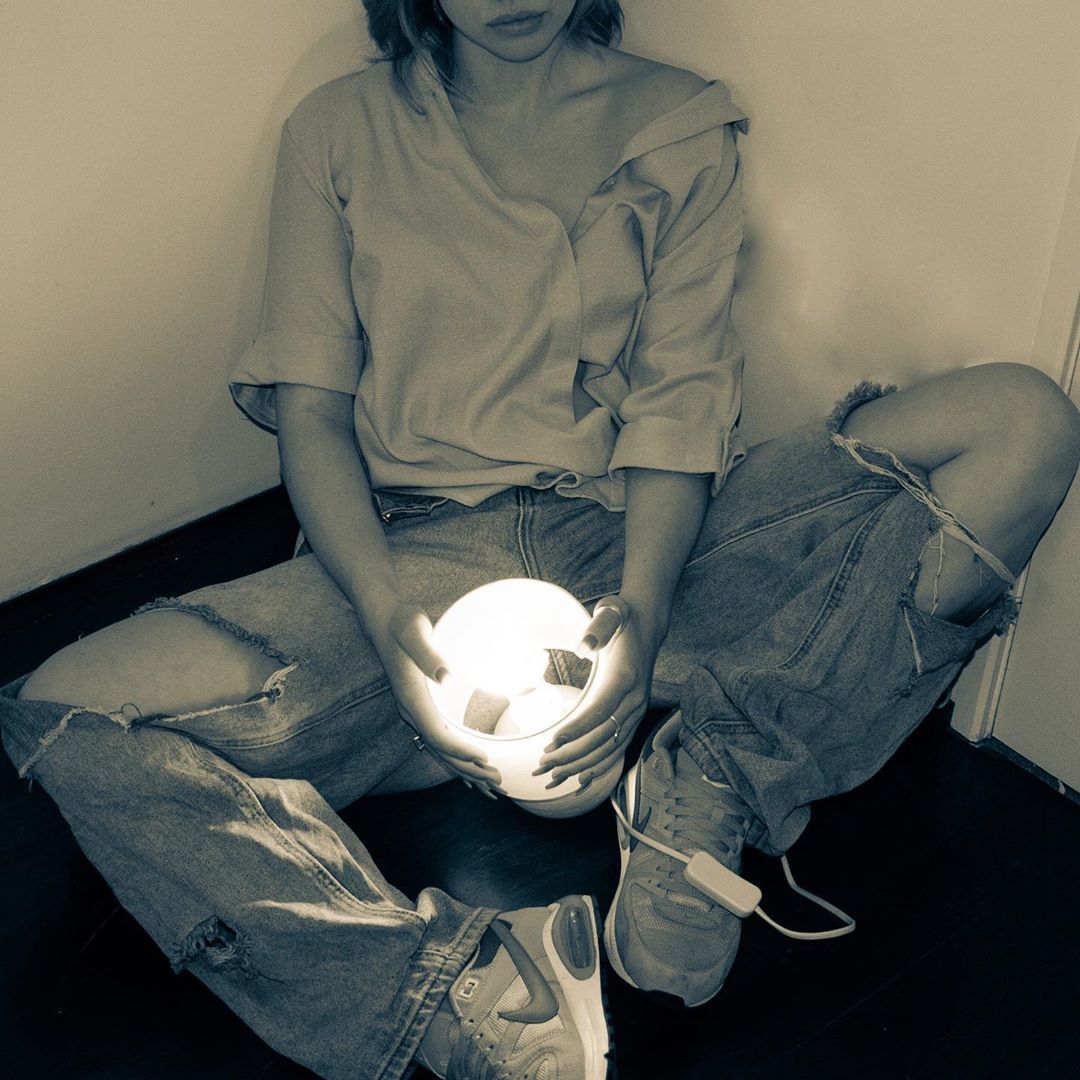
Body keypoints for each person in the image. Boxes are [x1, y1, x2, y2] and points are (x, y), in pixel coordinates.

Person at [4, 2, 1079, 1078]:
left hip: (642, 536)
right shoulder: (339, 130)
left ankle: (717, 771)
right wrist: (384, 616)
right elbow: (312, 414)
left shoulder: (681, 125)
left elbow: (679, 407)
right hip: (419, 567)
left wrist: (644, 610)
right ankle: (434, 994)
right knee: (63, 706)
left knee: (1021, 424)